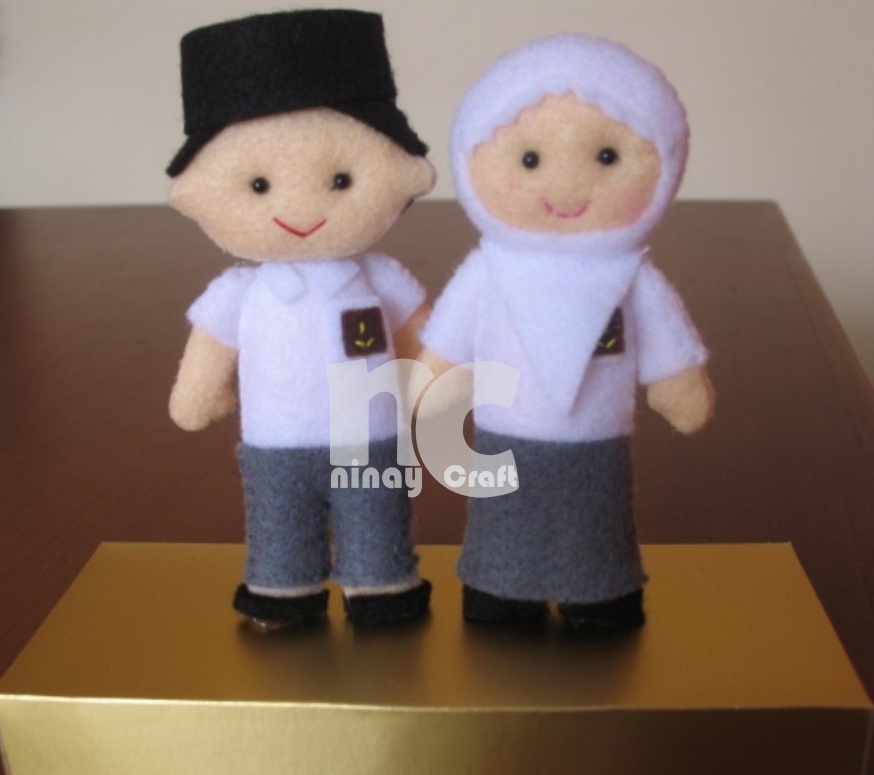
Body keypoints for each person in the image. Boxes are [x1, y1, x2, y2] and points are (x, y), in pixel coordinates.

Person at [420, 34, 714, 632]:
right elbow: (445, 344)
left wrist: (676, 383)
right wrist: (430, 381)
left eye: (606, 157)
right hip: (504, 432)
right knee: (506, 518)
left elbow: (667, 347)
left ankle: (599, 594)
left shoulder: (633, 277)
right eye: (529, 160)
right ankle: (501, 590)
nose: (565, 186)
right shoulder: (487, 270)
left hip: (597, 439)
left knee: (595, 518)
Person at [167, 10, 435, 629]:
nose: (299, 208)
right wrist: (198, 395)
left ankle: (381, 582)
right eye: (259, 184)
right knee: (279, 520)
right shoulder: (241, 292)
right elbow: (209, 349)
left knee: (375, 516)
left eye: (341, 179)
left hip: (370, 436)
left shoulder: (381, 280)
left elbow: (425, 341)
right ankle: (281, 586)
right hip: (275, 443)